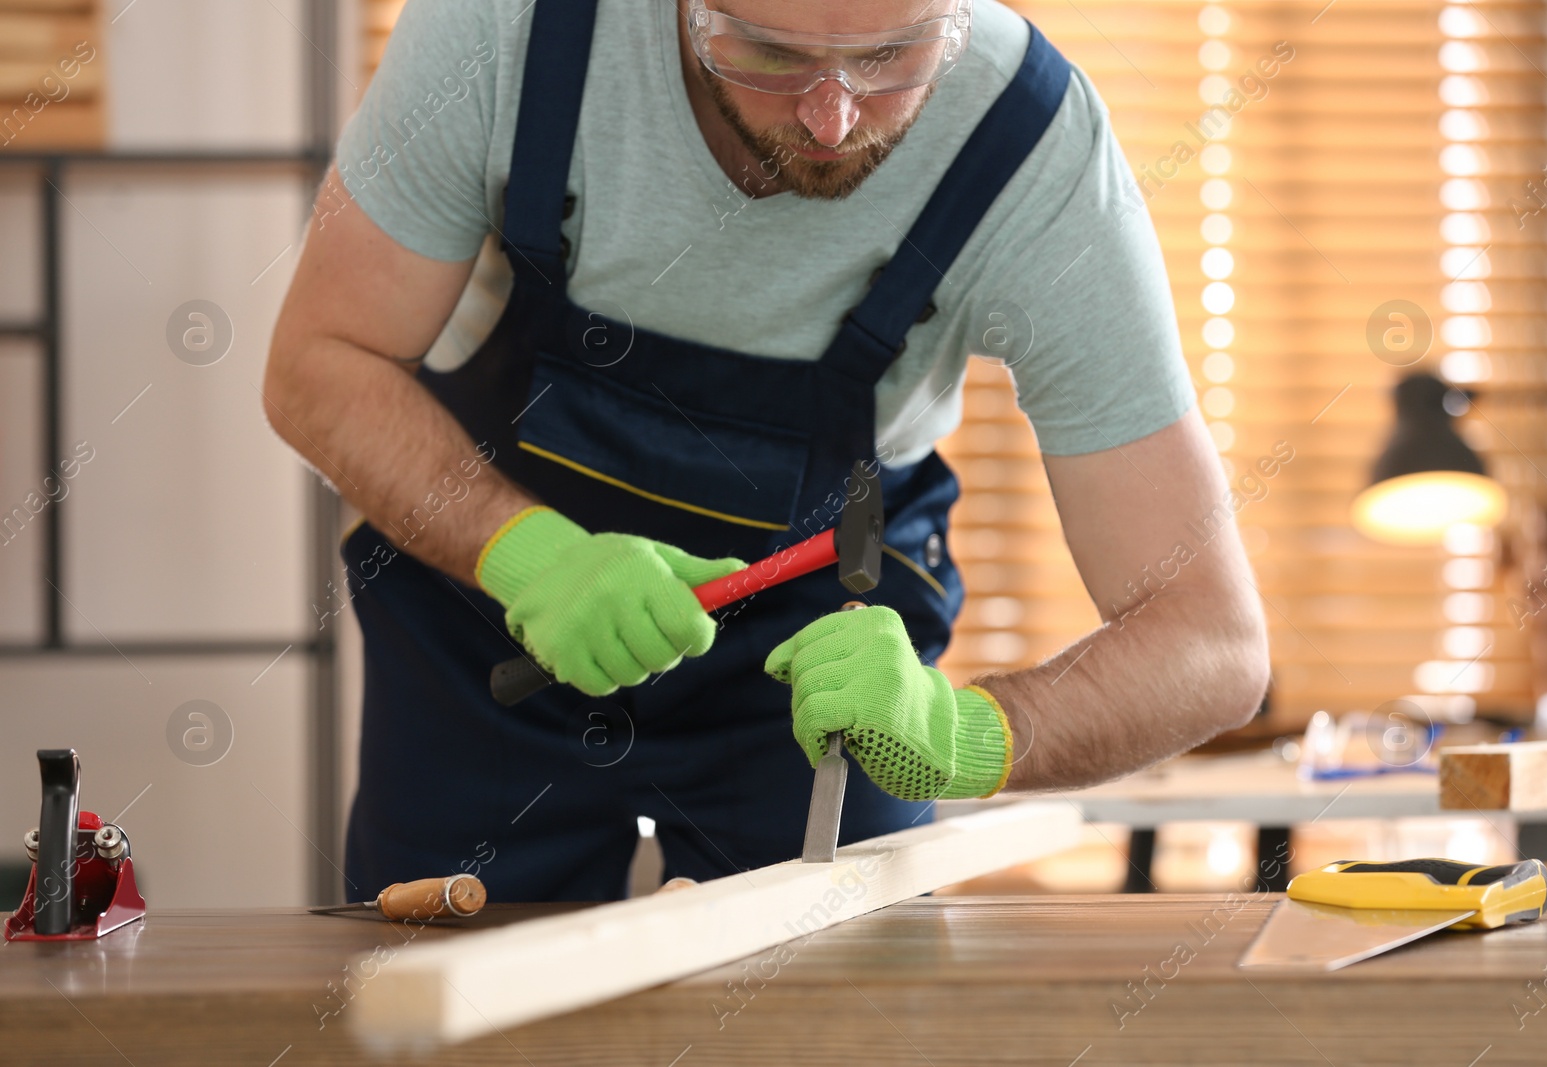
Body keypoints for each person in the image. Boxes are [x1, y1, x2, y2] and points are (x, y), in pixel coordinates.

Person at [265, 0, 1270, 902]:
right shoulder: (507, 29)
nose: (831, 117)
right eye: (766, 54)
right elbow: (317, 365)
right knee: (432, 1004)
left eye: (894, 56)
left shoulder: (1032, 147)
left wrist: (968, 733)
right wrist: (530, 555)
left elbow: (1213, 645)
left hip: (821, 661)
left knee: (832, 1019)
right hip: (494, 628)